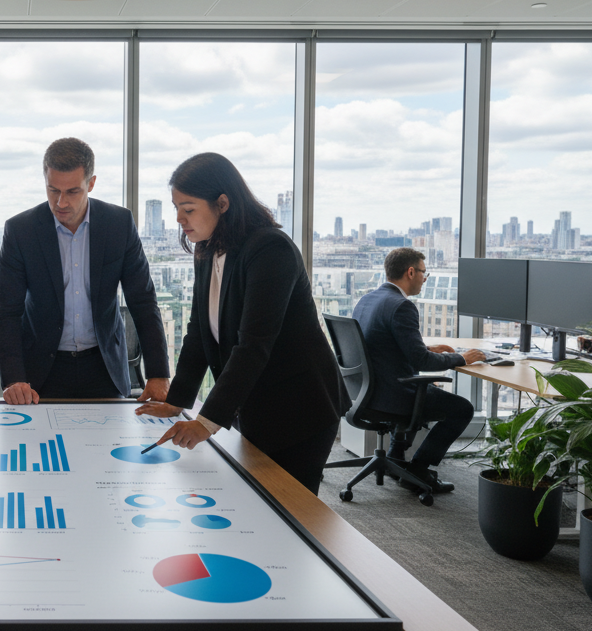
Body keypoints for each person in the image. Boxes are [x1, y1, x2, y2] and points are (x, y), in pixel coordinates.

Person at [135, 153, 347, 496]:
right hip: (256, 403)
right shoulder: (207, 249)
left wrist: (206, 421)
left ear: (222, 203)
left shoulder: (270, 249)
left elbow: (253, 344)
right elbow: (198, 334)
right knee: (255, 502)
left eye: (188, 209)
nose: (179, 219)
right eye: (177, 208)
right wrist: (179, 400)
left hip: (300, 405)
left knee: (291, 509)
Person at [0, 137, 170, 403]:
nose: (61, 202)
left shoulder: (119, 224)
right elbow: (6, 312)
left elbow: (143, 301)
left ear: (91, 183)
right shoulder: (21, 231)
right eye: (53, 190)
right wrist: (14, 378)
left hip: (104, 366)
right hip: (41, 371)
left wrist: (158, 374)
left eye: (72, 191)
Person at [351, 247, 486, 494]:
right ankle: (418, 469)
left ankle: (395, 457)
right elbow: (422, 362)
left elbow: (383, 345)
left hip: (366, 391)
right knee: (461, 408)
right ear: (411, 272)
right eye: (425, 273)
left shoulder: (368, 299)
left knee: (425, 391)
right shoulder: (402, 306)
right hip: (391, 395)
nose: (425, 279)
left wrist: (429, 347)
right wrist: (462, 358)